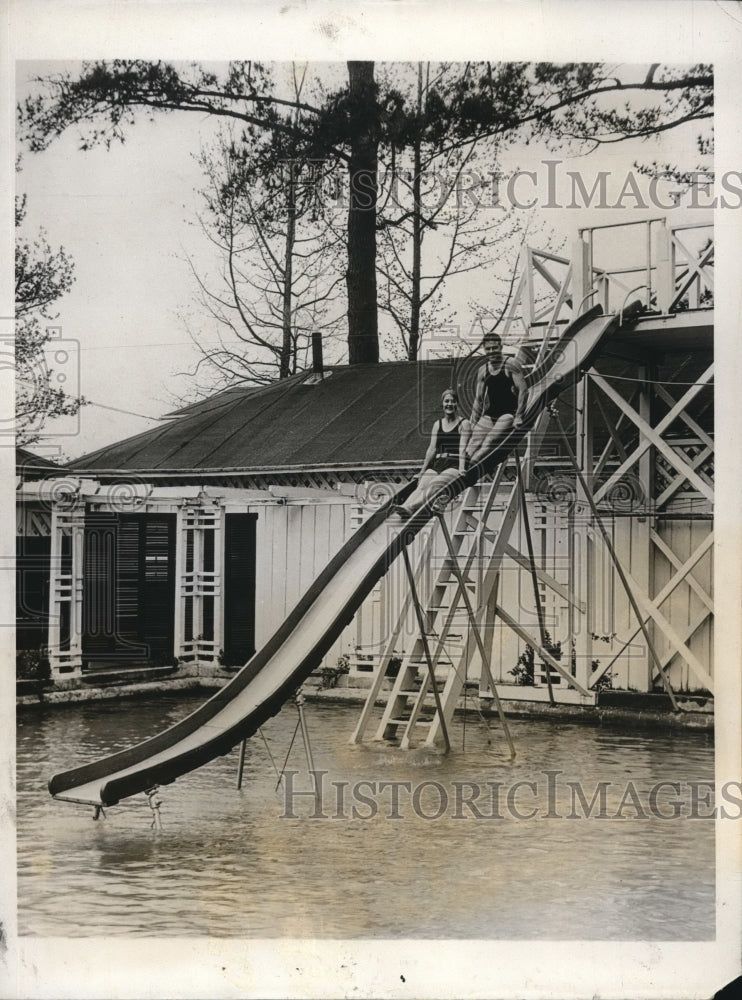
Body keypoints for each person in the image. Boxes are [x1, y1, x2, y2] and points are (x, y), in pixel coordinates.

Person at [394, 388, 471, 517]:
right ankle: (404, 507)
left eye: (453, 401)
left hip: (455, 463)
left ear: (457, 404)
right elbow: (432, 449)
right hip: (438, 463)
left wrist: (462, 468)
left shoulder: (464, 424)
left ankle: (411, 508)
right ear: (442, 404)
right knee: (422, 485)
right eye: (447, 401)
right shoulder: (437, 424)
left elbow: (462, 447)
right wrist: (422, 471)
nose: (449, 404)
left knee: (435, 485)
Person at [465, 331, 527, 465]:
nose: (491, 351)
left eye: (495, 348)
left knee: (490, 440)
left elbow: (523, 390)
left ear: (501, 347)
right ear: (484, 350)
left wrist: (519, 416)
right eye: (488, 349)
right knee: (474, 440)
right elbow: (479, 399)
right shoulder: (483, 370)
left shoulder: (511, 364)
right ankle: (460, 465)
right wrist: (473, 423)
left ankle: (471, 466)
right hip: (490, 414)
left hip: (508, 413)